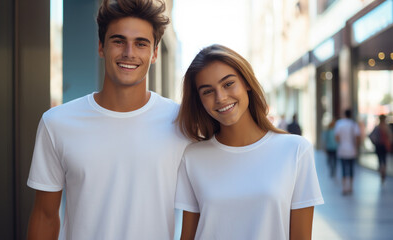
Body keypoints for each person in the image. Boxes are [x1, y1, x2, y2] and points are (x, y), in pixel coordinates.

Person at [27, 0, 189, 239]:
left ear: (154, 53)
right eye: (118, 41)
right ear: (101, 47)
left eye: (141, 43)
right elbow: (45, 216)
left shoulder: (180, 123)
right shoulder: (57, 123)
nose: (129, 53)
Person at [175, 44, 324, 240]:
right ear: (199, 100)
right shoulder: (193, 157)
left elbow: (302, 237)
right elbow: (188, 236)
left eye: (228, 84)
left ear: (246, 83)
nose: (220, 97)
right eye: (208, 91)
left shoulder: (295, 150)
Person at [334, 109, 360, 195]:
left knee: (344, 168)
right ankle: (351, 187)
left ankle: (344, 187)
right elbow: (357, 138)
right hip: (352, 150)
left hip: (342, 149)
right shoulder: (354, 124)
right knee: (351, 168)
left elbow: (337, 137)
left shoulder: (339, 124)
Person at [369, 114, 392, 183]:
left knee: (380, 160)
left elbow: (371, 136)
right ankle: (383, 170)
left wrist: (375, 142)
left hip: (379, 146)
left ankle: (382, 170)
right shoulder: (387, 127)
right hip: (384, 146)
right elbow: (390, 137)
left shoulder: (377, 127)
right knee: (384, 160)